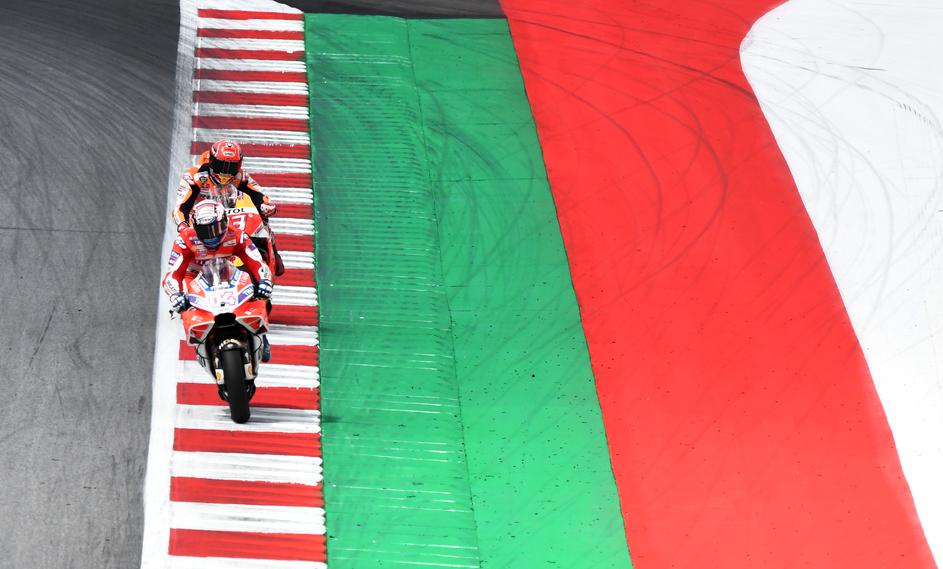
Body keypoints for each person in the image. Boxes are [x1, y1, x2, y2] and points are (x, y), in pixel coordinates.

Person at [162, 200, 274, 362]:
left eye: (216, 228)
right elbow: (173, 273)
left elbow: (257, 262)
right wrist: (175, 294)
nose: (211, 235)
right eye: (204, 231)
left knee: (257, 287)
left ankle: (260, 335)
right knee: (183, 303)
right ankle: (203, 342)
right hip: (194, 277)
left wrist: (264, 280)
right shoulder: (184, 240)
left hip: (225, 272)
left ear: (225, 222)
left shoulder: (237, 235)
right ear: (195, 228)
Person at [173, 139, 285, 275]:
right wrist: (183, 226)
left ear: (239, 165)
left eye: (231, 167)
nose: (225, 172)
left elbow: (257, 193)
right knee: (185, 250)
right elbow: (181, 208)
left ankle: (273, 253)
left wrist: (265, 204)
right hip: (201, 221)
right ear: (211, 161)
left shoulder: (240, 175)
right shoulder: (194, 176)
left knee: (262, 217)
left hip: (228, 217)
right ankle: (183, 274)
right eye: (220, 165)